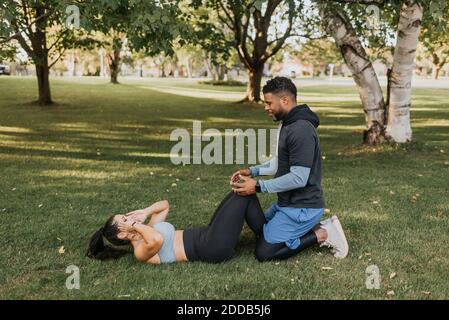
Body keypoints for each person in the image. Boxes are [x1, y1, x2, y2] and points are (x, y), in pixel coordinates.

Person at [230, 76, 349, 261]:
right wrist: (252, 171)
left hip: (303, 208)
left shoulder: (301, 129)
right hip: (287, 204)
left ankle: (322, 233)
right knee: (260, 228)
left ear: (285, 100)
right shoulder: (287, 123)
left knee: (264, 252)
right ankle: (298, 228)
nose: (266, 107)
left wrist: (259, 186)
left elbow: (298, 178)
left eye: (269, 103)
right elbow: (280, 163)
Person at [87, 191, 342, 264]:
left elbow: (165, 205)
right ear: (122, 233)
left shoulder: (148, 225)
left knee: (241, 192)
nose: (130, 217)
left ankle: (270, 235)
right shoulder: (141, 251)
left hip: (208, 235)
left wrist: (144, 211)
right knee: (243, 196)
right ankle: (318, 234)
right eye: (125, 219)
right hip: (212, 248)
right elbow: (154, 239)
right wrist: (136, 226)